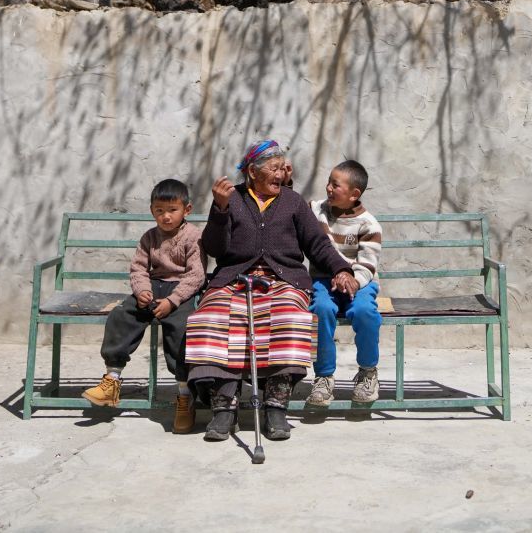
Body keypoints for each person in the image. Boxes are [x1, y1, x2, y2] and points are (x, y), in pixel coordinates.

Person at [185, 138, 358, 442]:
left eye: (283, 168)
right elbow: (214, 248)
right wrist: (220, 210)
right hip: (234, 279)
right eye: (274, 169)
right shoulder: (232, 199)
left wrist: (342, 268)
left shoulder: (292, 202)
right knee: (212, 315)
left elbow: (317, 245)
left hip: (283, 281)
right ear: (253, 171)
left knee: (290, 316)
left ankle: (275, 406)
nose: (281, 174)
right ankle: (224, 406)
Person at [82, 178, 206, 434]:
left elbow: (196, 275)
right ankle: (112, 379)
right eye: (159, 211)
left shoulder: (194, 237)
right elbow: (138, 268)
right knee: (121, 316)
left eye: (172, 210)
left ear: (187, 210)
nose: (166, 217)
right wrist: (142, 292)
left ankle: (184, 395)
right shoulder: (149, 237)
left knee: (182, 329)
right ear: (152, 211)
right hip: (153, 288)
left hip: (180, 292)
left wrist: (172, 302)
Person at [306, 159, 384, 407]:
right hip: (323, 281)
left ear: (354, 194)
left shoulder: (368, 224)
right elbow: (291, 206)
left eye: (335, 185)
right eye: (328, 182)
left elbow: (367, 265)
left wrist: (352, 279)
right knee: (321, 310)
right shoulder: (317, 210)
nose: (328, 188)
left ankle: (368, 372)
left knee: (365, 312)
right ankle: (324, 377)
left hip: (360, 282)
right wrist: (285, 181)